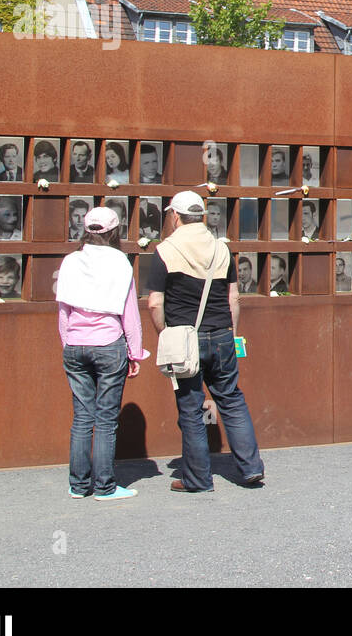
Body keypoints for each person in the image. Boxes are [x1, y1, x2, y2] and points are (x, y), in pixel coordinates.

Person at [146, 191, 264, 492]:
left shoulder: (165, 250)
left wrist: (165, 334)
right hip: (223, 333)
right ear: (201, 215)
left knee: (190, 407)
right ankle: (251, 468)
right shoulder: (222, 249)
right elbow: (233, 298)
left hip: (186, 338)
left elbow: (155, 304)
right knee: (232, 399)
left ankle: (197, 479)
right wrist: (232, 333)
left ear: (175, 216)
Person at [56, 206, 145, 500]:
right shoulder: (121, 262)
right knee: (106, 419)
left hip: (76, 344)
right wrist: (135, 353)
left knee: (82, 417)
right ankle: (105, 486)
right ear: (114, 230)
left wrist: (67, 343)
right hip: (109, 344)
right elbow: (129, 314)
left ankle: (79, 486)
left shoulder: (71, 261)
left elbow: (63, 312)